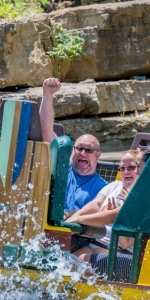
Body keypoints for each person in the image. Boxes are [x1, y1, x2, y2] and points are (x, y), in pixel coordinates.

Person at [39, 77, 107, 214]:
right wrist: (47, 95)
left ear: (98, 155)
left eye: (88, 150)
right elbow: (45, 131)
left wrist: (69, 215)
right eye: (79, 148)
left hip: (76, 234)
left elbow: (99, 219)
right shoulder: (62, 167)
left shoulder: (103, 188)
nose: (82, 153)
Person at [67, 149, 143, 259]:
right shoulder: (114, 186)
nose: (126, 171)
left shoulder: (140, 195)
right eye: (122, 168)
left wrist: (76, 220)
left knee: (79, 261)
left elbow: (114, 219)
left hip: (119, 250)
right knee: (63, 259)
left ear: (139, 169)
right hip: (94, 242)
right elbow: (96, 204)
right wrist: (71, 221)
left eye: (131, 167)